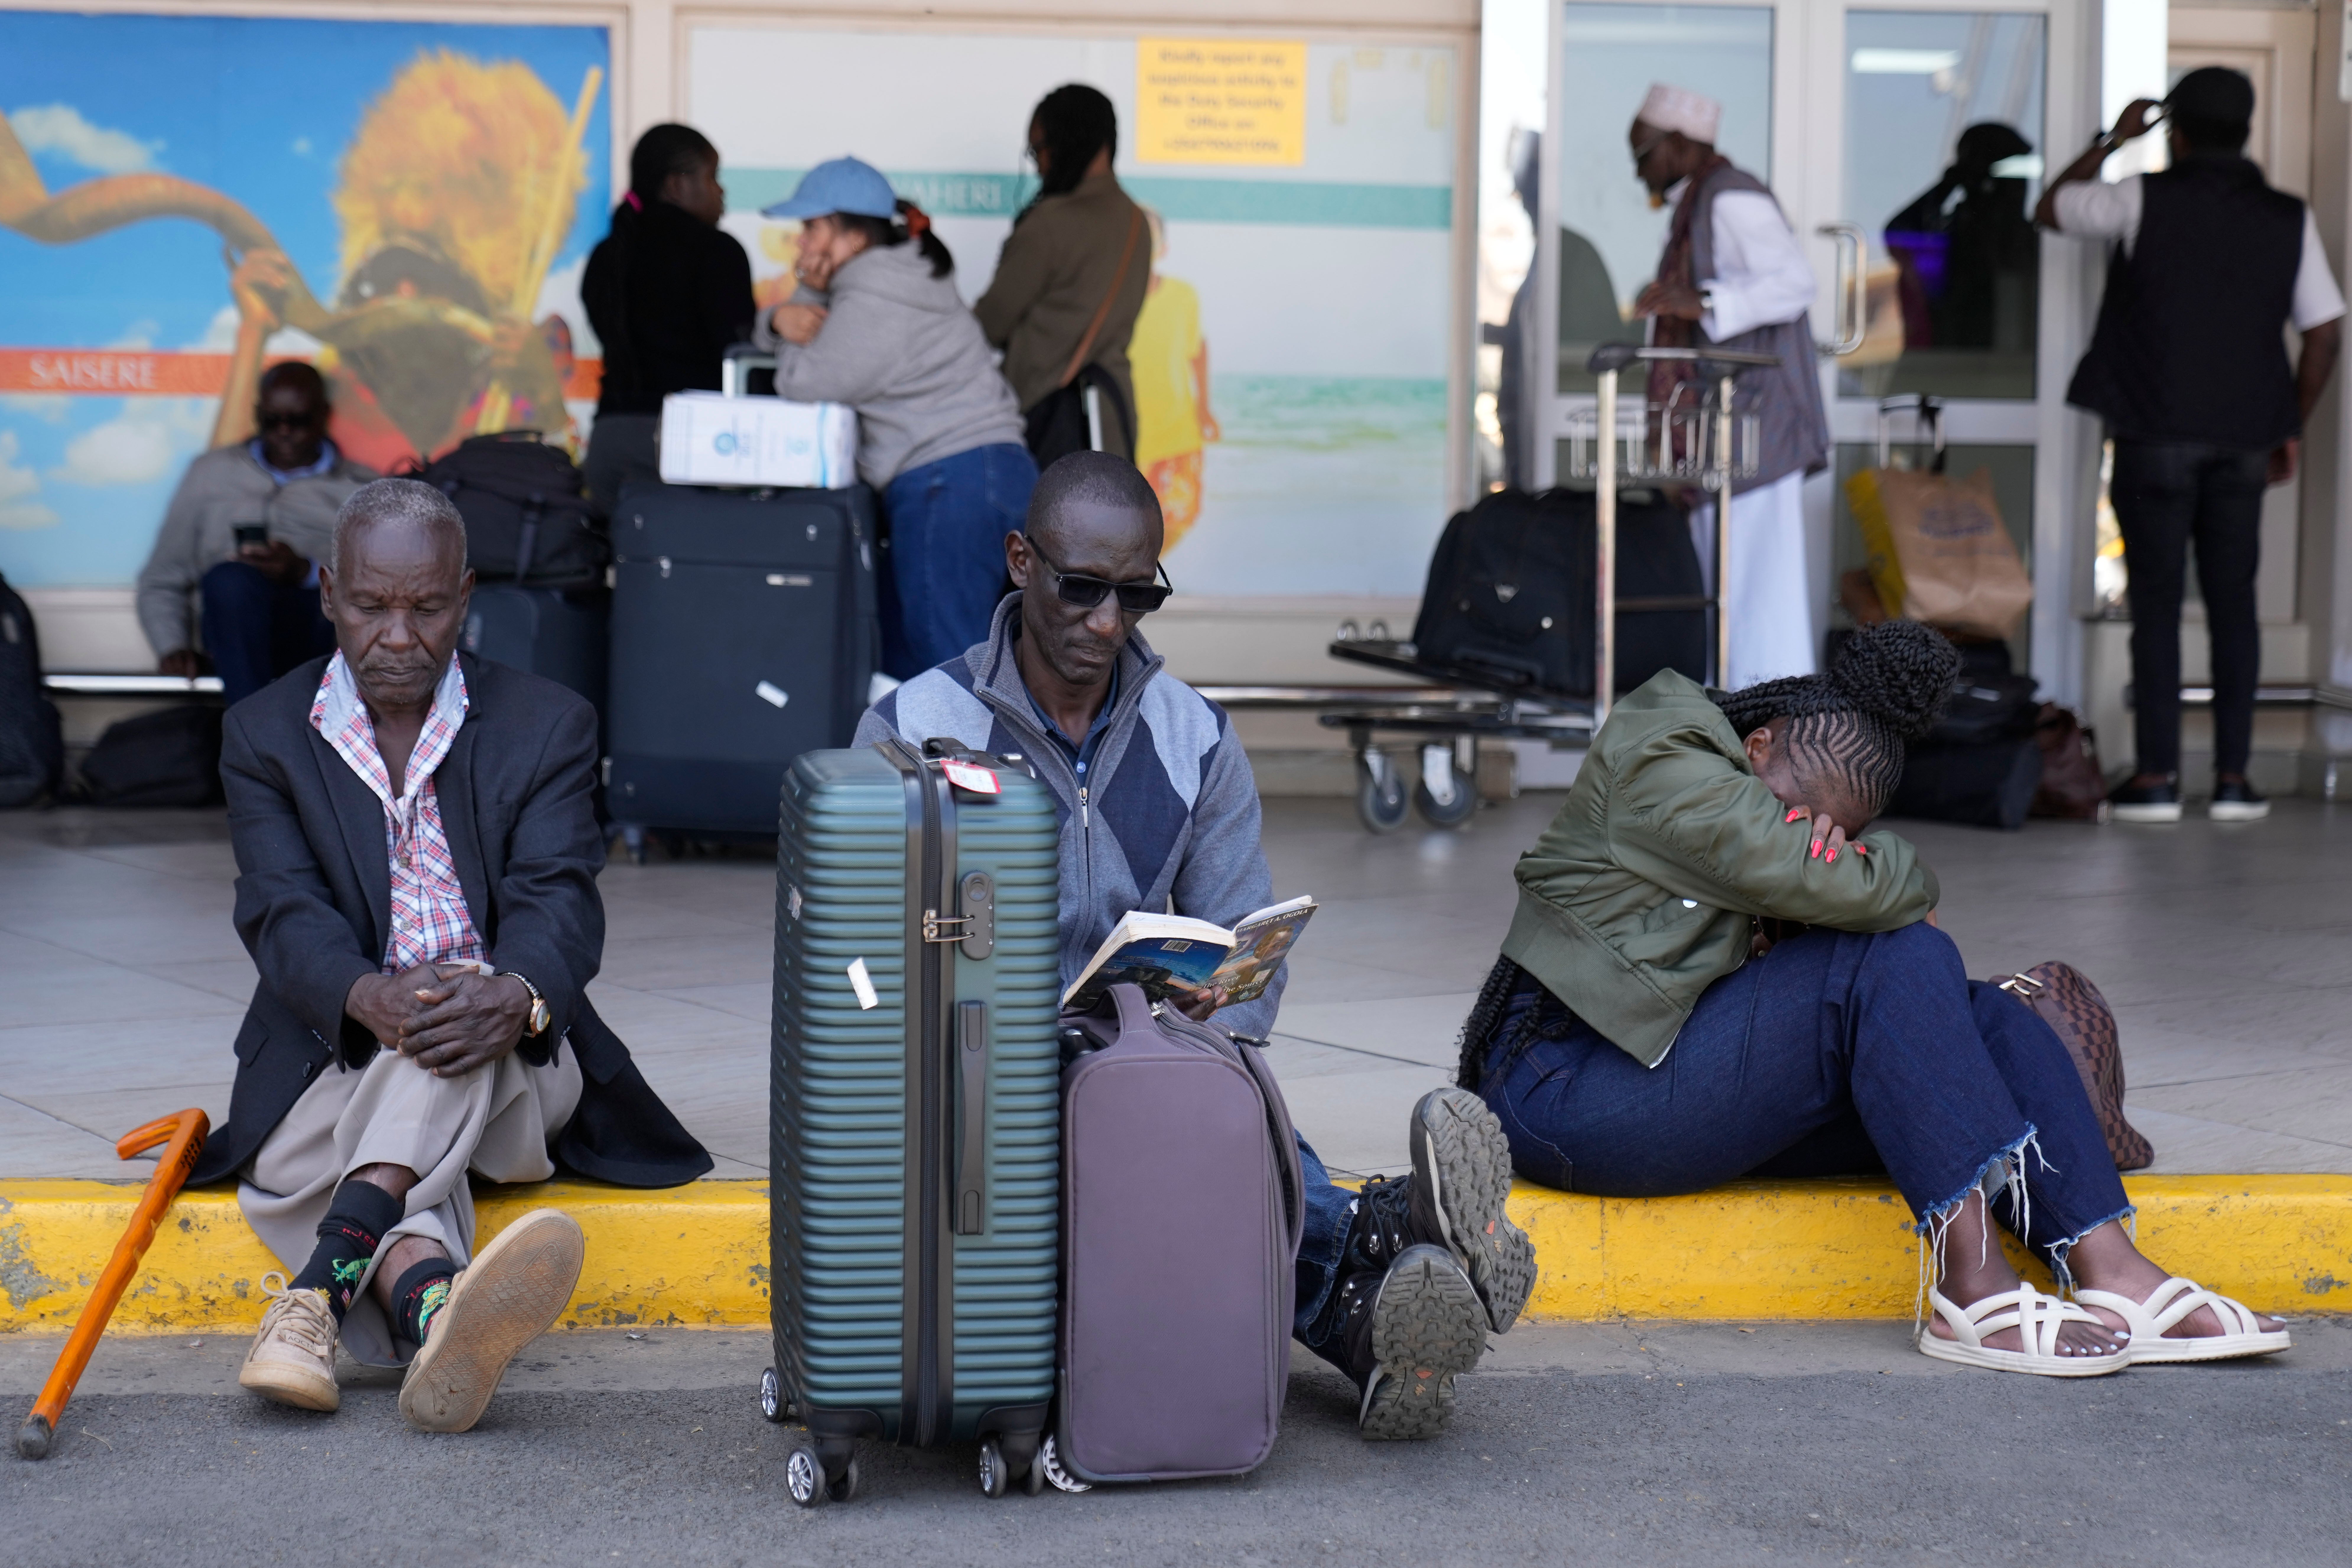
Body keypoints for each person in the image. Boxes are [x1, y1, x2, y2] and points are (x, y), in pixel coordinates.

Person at [855, 453, 1537, 1438]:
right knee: (1154, 1143)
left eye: (1138, 595)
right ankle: (1384, 1246)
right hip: (981, 1073)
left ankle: (1368, 1317)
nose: (1106, 621)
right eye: (1082, 588)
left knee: (1214, 1106)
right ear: (1019, 561)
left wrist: (1228, 998)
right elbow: (863, 959)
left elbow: (1242, 924)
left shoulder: (1196, 737)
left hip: (1140, 1055)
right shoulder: (915, 726)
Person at [1464, 620, 2291, 1374]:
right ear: (1758, 746)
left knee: (1984, 1012)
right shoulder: (1664, 753)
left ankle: (2114, 1271)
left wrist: (1852, 869)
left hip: (1673, 1075)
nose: (1812, 842)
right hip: (1565, 1092)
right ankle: (1970, 1290)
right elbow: (1853, 889)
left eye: (1833, 835)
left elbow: (1838, 890)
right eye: (1799, 820)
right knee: (1890, 954)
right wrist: (1876, 866)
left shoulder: (1751, 792)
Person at [203, 478, 712, 1429]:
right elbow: (281, 910)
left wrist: (514, 993)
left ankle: (312, 1297)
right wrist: (368, 996)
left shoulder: (546, 722)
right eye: (371, 605)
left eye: (427, 606)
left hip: (515, 1062)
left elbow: (560, 896)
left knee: (451, 1020)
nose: (399, 635)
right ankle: (436, 1311)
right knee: (406, 1058)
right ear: (328, 593)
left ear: (466, 594)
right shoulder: (264, 733)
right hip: (337, 1060)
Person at [2037, 68, 2345, 824]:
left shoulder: (2142, 196)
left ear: (2175, 130)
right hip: (2245, 438)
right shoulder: (2287, 216)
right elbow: (2324, 331)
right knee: (2234, 604)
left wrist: (2113, 138)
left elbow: (2050, 209)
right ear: (2246, 129)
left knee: (2157, 604)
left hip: (2153, 433)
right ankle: (2236, 780)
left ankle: (2157, 780)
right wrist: (2290, 422)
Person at [751, 158, 1035, 677]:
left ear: (854, 235)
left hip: (948, 485)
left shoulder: (872, 295)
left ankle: (983, 763)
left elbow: (803, 384)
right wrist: (783, 317)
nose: (801, 243)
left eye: (812, 228)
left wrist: (799, 300)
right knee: (955, 663)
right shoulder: (907, 274)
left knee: (950, 673)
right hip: (994, 475)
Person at [1628, 83, 1830, 688]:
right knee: (1730, 596)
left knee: (1756, 600)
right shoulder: (1700, 201)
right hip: (1727, 433)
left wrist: (1705, 301)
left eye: (1644, 154)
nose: (1639, 169)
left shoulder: (1729, 197)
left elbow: (1794, 281)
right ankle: (1741, 742)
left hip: (1756, 431)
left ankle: (1775, 747)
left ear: (1682, 145)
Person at [136, 363, 373, 705]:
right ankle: (258, 736)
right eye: (272, 421)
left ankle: (256, 743)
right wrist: (172, 646)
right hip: (232, 633)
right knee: (230, 581)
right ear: (257, 415)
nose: (284, 432)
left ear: (325, 415)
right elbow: (162, 579)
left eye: (299, 421)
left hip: (317, 633)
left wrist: (305, 571)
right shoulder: (211, 474)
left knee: (332, 614)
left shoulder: (362, 489)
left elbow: (381, 592)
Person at [580, 124, 757, 512]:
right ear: (677, 185)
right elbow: (738, 356)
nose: (721, 191)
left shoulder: (607, 256)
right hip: (690, 444)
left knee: (629, 571)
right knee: (696, 569)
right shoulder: (718, 253)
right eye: (712, 177)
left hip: (610, 441)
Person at [975, 85, 1150, 462]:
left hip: (1050, 423)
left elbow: (990, 325)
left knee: (1040, 523)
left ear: (1068, 142)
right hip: (1111, 421)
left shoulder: (1051, 224)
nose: (1039, 165)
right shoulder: (1137, 222)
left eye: (1040, 149)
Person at [1885, 122, 2039, 355]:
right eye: (2012, 172)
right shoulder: (1954, 237)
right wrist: (1952, 183)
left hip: (2008, 375)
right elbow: (1898, 234)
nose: (2022, 186)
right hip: (1952, 372)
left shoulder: (2024, 239)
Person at [1127, 207, 1219, 549]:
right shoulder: (1109, 301)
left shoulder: (1183, 296)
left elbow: (1197, 350)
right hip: (1130, 438)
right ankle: (1133, 585)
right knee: (1129, 525)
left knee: (1183, 514)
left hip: (1178, 433)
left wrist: (1204, 409)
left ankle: (1142, 580)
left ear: (1162, 248)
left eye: (1148, 238)